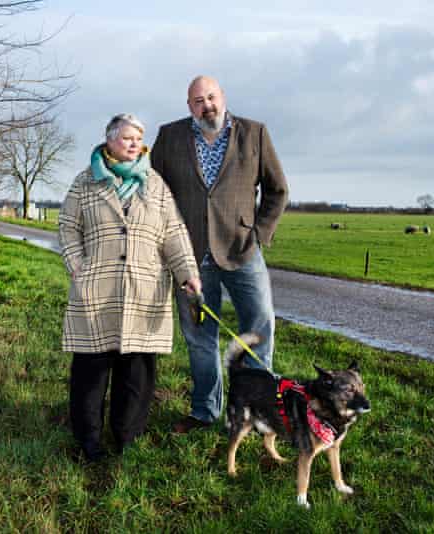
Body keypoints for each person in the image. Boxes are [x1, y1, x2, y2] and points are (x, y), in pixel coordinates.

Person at [59, 113, 202, 461]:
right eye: (126, 137)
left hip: (144, 290)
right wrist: (78, 266)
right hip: (98, 291)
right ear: (109, 141)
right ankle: (88, 441)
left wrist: (188, 273)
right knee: (91, 374)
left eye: (138, 137)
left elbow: (174, 234)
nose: (134, 143)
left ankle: (126, 438)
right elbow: (67, 228)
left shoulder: (155, 185)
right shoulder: (84, 183)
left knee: (136, 374)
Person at [151, 76, 289, 433]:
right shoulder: (169, 137)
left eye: (211, 97)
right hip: (190, 257)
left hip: (242, 251)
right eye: (198, 101)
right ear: (189, 106)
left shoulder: (254, 133)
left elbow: (277, 190)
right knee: (199, 338)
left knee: (260, 329)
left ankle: (258, 415)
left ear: (222, 97)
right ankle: (204, 411)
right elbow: (154, 195)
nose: (206, 105)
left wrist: (259, 233)